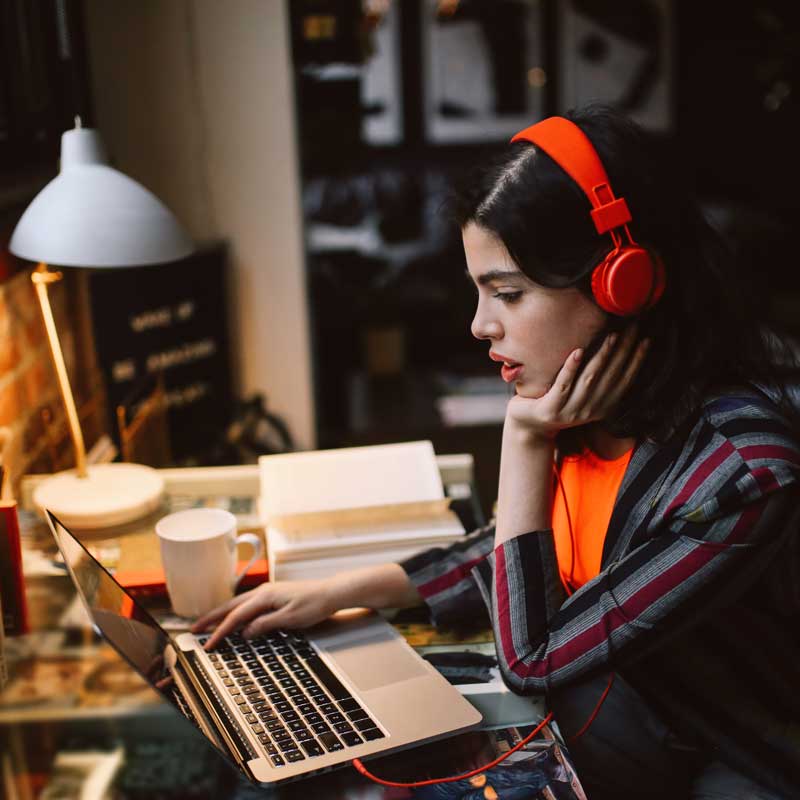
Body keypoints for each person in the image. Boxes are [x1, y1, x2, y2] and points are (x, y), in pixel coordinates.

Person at [193, 106, 800, 798]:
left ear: (623, 281)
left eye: (507, 293)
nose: (481, 326)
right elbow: (523, 544)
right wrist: (337, 592)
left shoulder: (742, 473)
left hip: (724, 756)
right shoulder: (596, 409)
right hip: (624, 711)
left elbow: (534, 659)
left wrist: (523, 439)